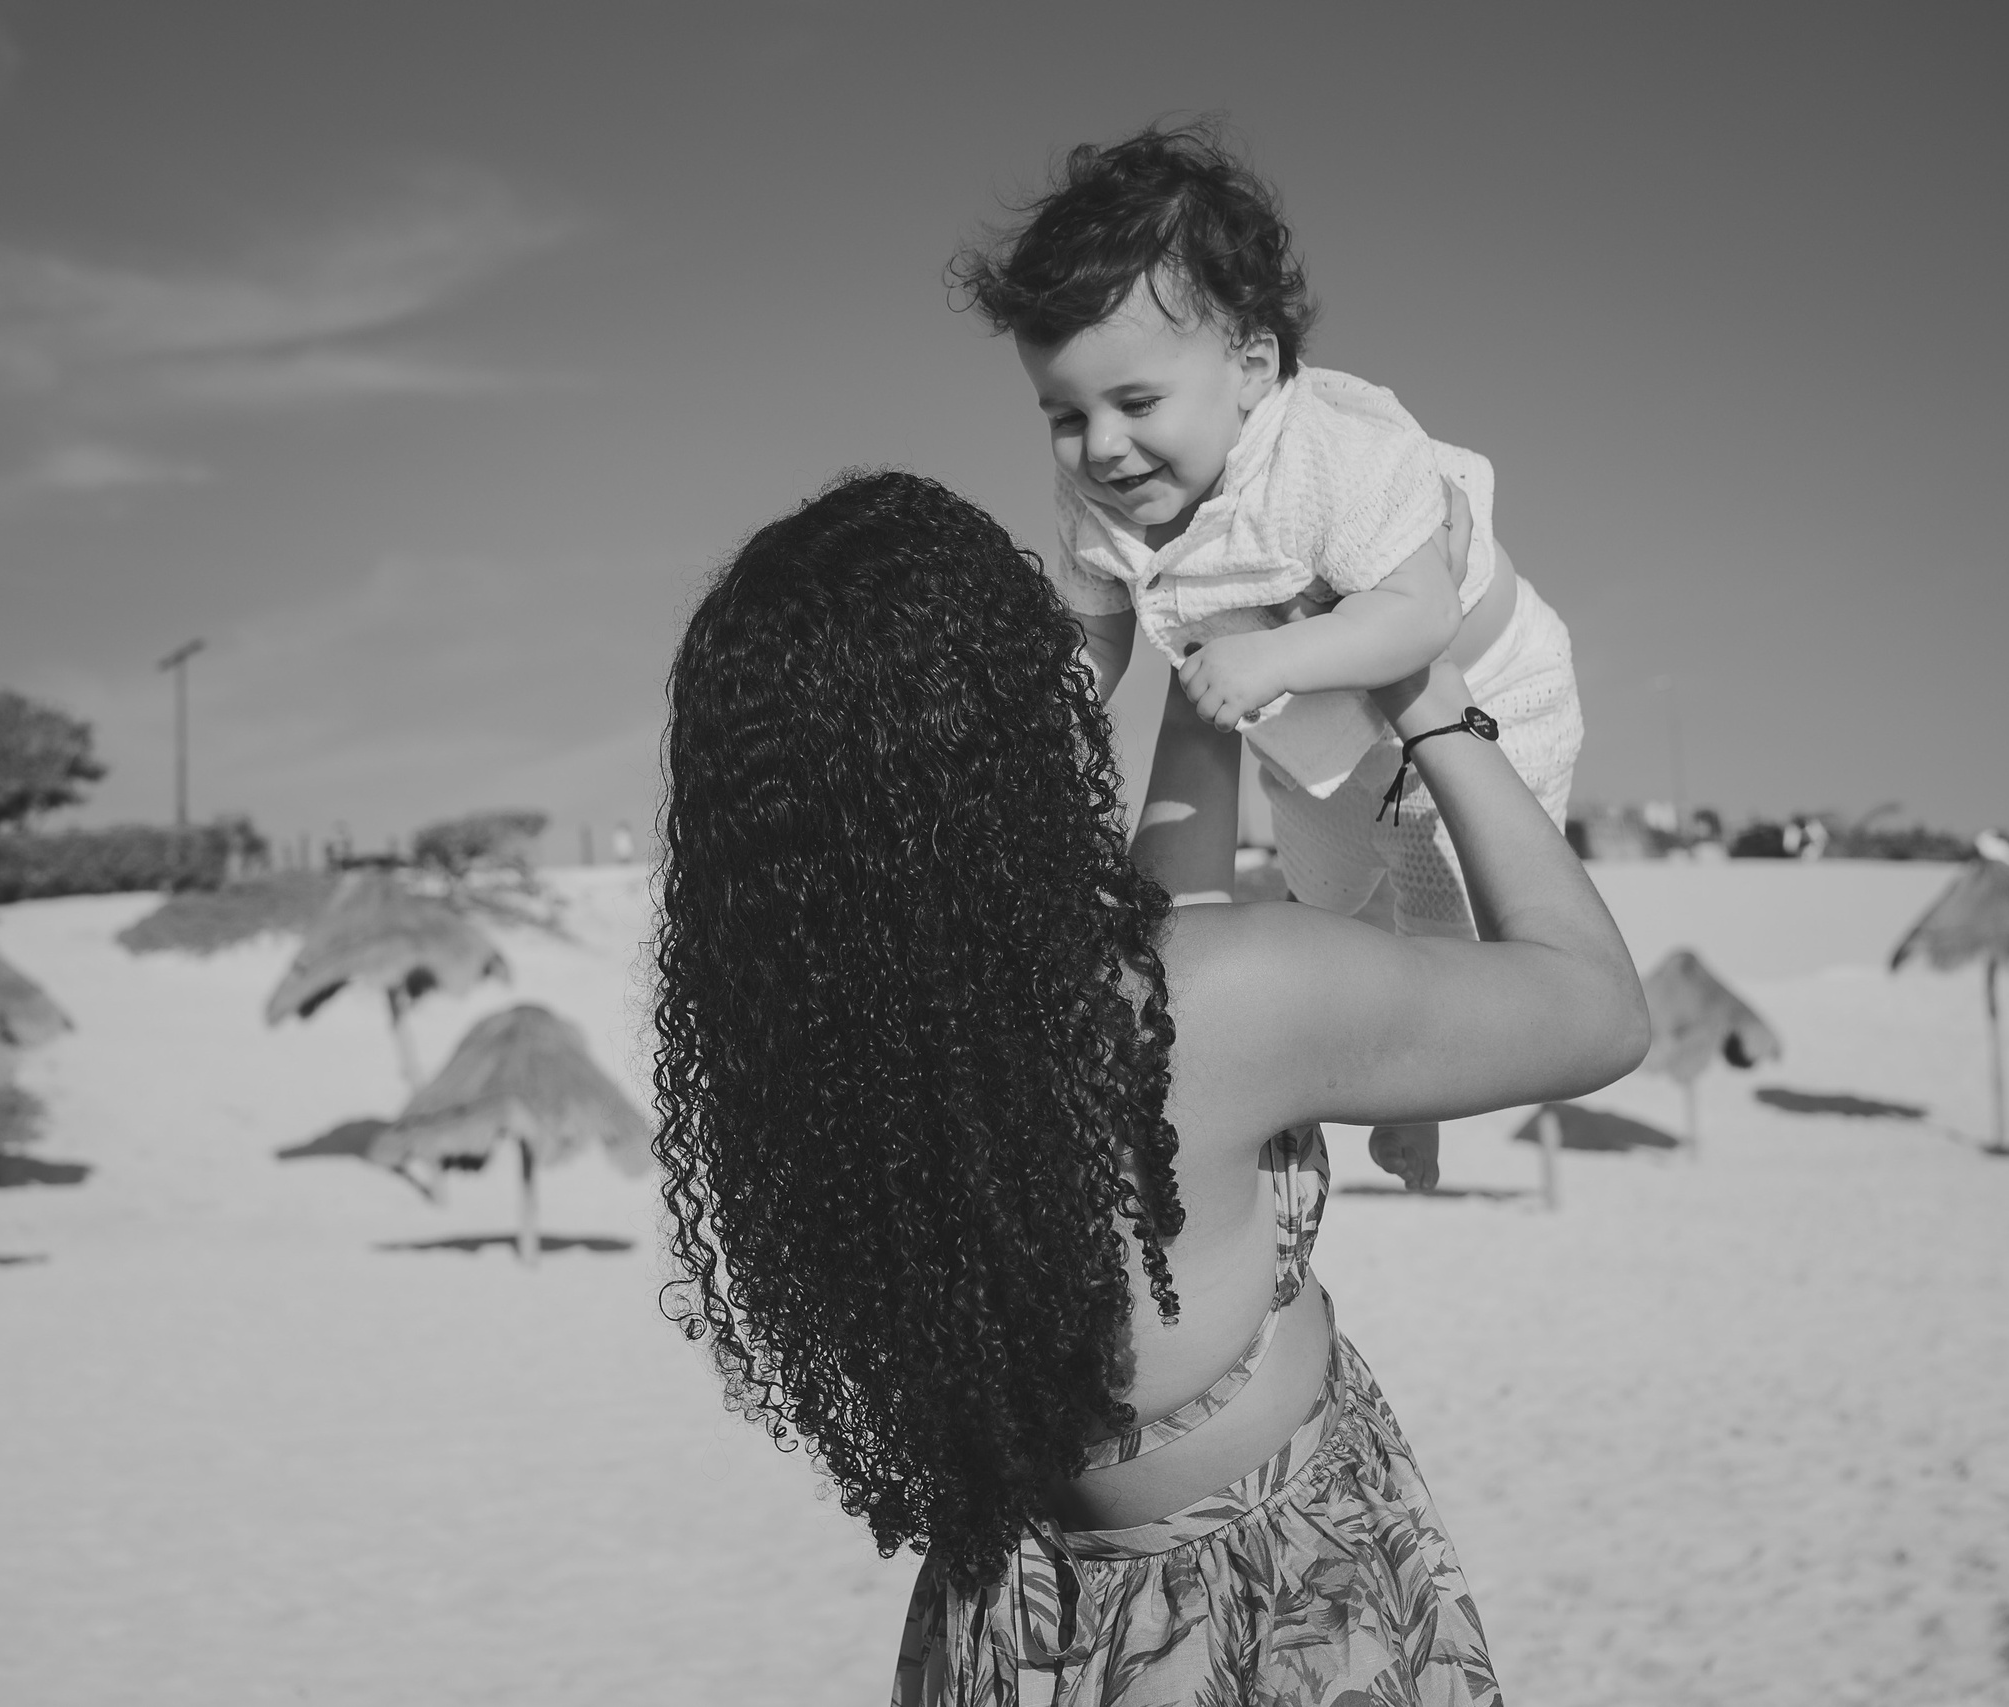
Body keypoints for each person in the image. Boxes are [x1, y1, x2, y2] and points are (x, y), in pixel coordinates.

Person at [655, 469, 1646, 1704]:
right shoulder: (1227, 1000)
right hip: (1267, 1617)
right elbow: (1597, 1008)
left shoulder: (850, 1055)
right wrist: (1436, 710)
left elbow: (1161, 934)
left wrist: (1215, 673)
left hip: (1013, 1623)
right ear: (1008, 717)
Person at [952, 122, 1585, 1194]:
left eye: (1136, 403)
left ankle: (1421, 1103)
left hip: (1481, 701)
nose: (1101, 447)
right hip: (1319, 736)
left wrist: (1277, 657)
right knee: (1326, 894)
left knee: (1443, 914)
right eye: (1063, 415)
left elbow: (1415, 616)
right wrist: (1041, 710)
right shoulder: (1101, 503)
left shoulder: (1331, 457)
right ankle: (1355, 1059)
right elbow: (1096, 632)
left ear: (1250, 367)